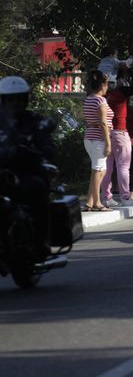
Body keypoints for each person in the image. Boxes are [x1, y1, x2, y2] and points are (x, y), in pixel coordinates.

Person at [0, 76, 56, 260]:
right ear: (3, 100)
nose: (14, 103)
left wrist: (41, 149)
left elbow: (47, 144)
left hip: (27, 171)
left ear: (25, 100)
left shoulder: (34, 121)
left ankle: (42, 241)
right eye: (10, 99)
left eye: (18, 98)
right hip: (3, 173)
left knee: (37, 188)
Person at [99, 63, 133, 207]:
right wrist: (130, 70)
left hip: (106, 133)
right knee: (123, 167)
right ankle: (125, 197)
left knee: (108, 167)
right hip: (120, 132)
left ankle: (106, 197)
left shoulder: (103, 95)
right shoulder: (120, 93)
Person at [83, 70, 114, 212]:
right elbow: (103, 123)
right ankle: (97, 202)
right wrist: (108, 143)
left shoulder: (88, 99)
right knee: (99, 170)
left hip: (89, 137)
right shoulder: (101, 100)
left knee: (97, 170)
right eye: (107, 85)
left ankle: (89, 202)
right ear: (103, 85)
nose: (108, 88)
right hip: (98, 138)